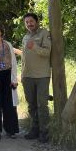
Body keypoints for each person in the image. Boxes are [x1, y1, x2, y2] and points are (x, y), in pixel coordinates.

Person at [20, 12, 51, 143]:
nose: (29, 24)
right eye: (27, 22)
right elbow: (24, 58)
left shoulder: (44, 33)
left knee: (42, 104)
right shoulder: (25, 37)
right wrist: (22, 75)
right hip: (27, 76)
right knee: (31, 105)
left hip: (42, 75)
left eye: (31, 21)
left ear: (36, 21)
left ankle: (45, 132)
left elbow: (47, 52)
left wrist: (35, 47)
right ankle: (35, 129)